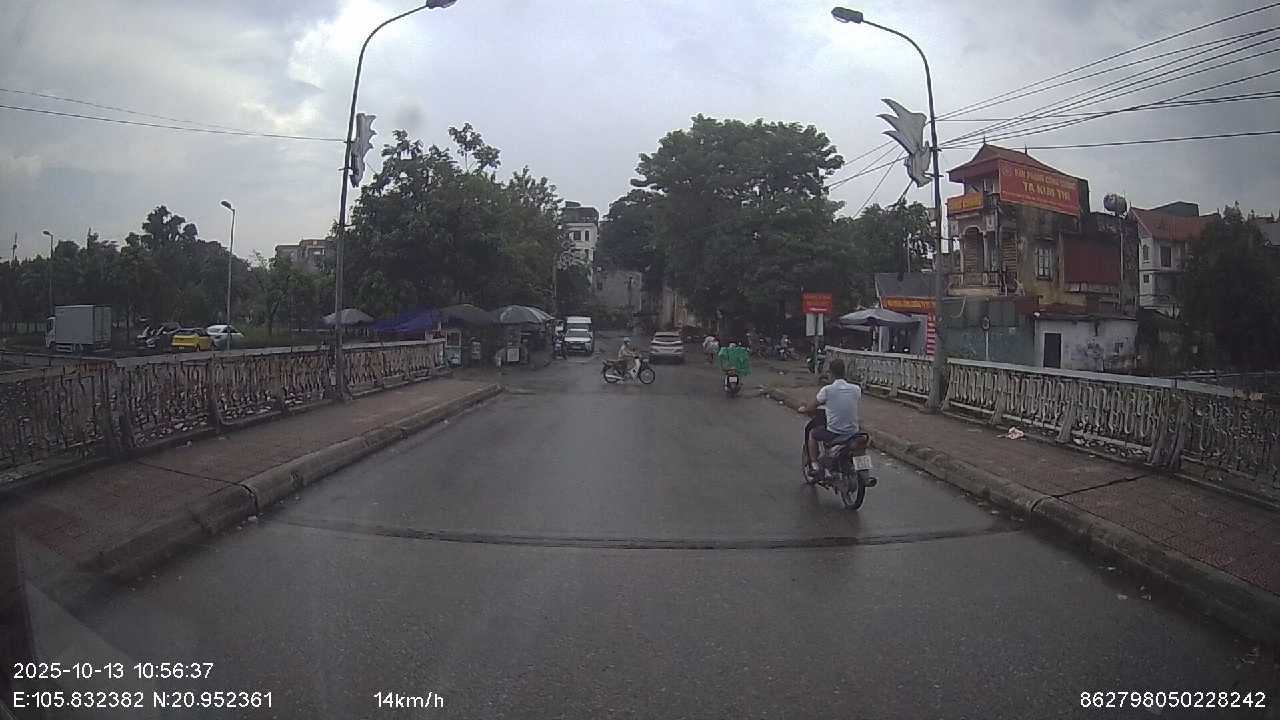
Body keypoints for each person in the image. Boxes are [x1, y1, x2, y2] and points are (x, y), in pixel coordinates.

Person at [800, 358, 864, 479]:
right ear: (844, 372)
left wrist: (804, 409)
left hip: (835, 432)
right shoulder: (856, 389)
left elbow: (812, 406)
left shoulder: (827, 390)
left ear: (831, 373)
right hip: (853, 432)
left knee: (813, 433)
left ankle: (814, 465)